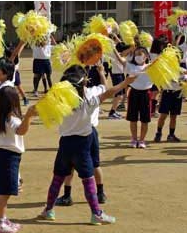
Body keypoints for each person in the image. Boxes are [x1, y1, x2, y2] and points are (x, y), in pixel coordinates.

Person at [39, 65, 136, 224]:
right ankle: (96, 213)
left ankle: (48, 210)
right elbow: (108, 92)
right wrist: (126, 82)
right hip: (82, 145)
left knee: (57, 178)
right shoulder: (87, 102)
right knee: (88, 179)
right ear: (83, 84)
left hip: (65, 144)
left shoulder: (60, 103)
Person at [55, 62, 109, 206]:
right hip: (90, 132)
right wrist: (101, 72)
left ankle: (67, 195)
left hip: (72, 133)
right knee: (95, 164)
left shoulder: (66, 96)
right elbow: (105, 88)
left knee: (69, 166)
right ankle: (100, 193)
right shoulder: (92, 92)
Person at [0, 86, 37, 233]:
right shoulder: (11, 120)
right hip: (8, 158)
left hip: (1, 156)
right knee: (4, 193)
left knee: (2, 192)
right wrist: (28, 116)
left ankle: (1, 219)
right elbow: (22, 131)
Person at [125, 46, 152, 148]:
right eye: (136, 55)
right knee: (133, 119)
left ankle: (142, 140)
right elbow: (120, 59)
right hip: (134, 93)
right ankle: (134, 139)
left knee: (145, 119)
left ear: (146, 56)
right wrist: (113, 50)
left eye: (140, 54)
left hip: (146, 94)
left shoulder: (151, 67)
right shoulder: (131, 66)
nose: (137, 57)